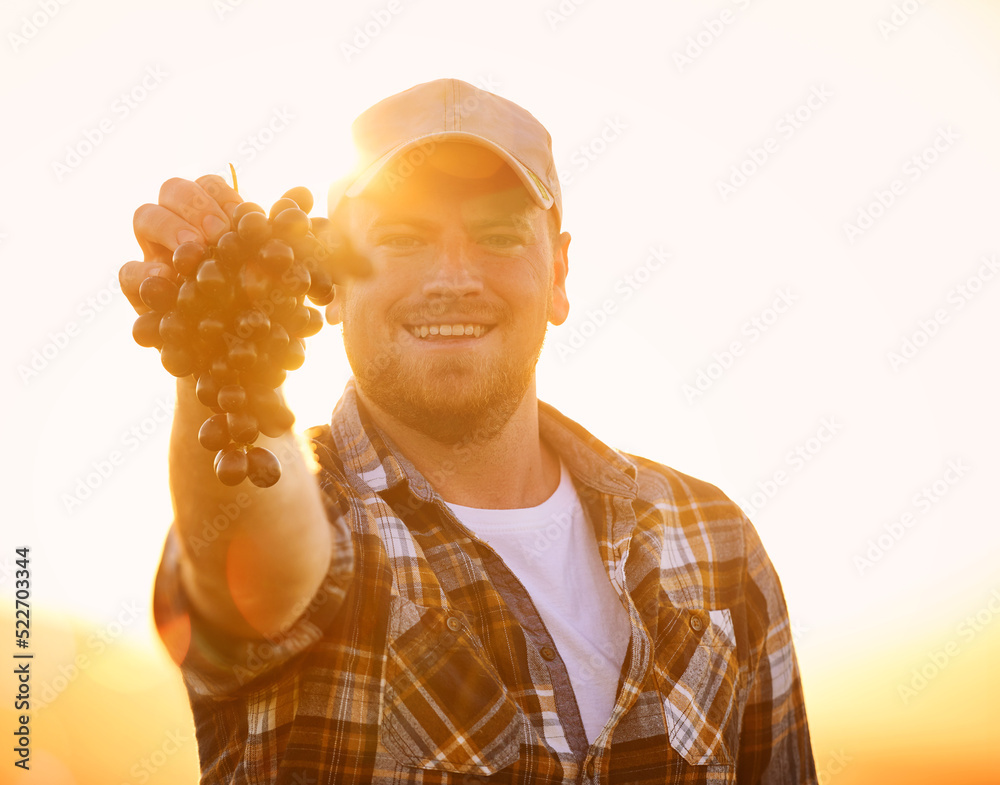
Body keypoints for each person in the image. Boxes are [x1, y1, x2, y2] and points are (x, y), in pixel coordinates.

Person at [120, 78, 818, 784]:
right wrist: (218, 346)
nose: (452, 276)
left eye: (497, 235)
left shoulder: (715, 540)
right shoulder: (322, 520)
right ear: (327, 275)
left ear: (559, 274)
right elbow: (259, 551)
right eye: (400, 237)